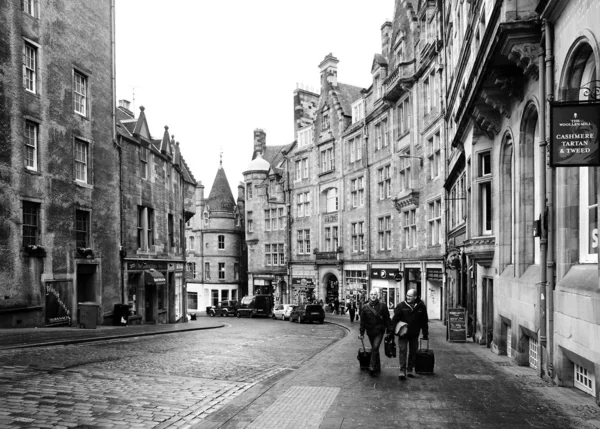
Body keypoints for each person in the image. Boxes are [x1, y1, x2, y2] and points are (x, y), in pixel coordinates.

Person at [389, 288, 429, 380]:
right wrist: (391, 332)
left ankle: (410, 369)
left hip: (414, 333)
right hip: (403, 334)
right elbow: (394, 320)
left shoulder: (421, 306)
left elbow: (424, 321)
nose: (408, 297)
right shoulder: (401, 306)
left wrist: (425, 334)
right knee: (403, 351)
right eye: (407, 295)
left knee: (413, 351)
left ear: (415, 297)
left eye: (410, 296)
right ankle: (402, 371)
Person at [358, 288, 391, 376]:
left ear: (377, 296)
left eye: (375, 294)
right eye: (372, 294)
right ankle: (378, 366)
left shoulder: (382, 306)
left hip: (379, 331)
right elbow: (362, 322)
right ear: (369, 296)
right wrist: (361, 333)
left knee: (375, 347)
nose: (373, 296)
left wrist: (389, 330)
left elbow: (387, 319)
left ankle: (372, 366)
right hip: (370, 331)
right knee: (374, 349)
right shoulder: (365, 307)